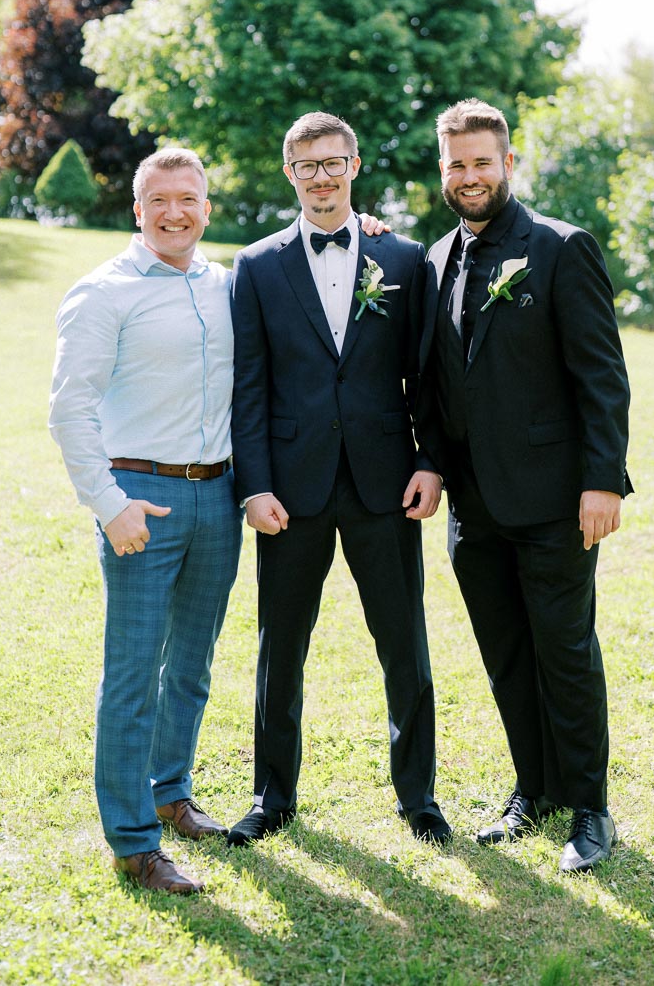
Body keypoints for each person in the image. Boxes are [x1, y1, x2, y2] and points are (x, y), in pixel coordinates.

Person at [226, 111, 451, 847]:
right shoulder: (256, 266)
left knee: (404, 643)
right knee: (279, 648)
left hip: (386, 482)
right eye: (306, 166)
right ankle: (271, 797)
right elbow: (249, 387)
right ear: (289, 174)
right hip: (290, 491)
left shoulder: (406, 259)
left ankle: (418, 796)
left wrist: (428, 462)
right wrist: (253, 485)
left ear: (354, 165)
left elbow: (427, 376)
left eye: (333, 163)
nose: (321, 177)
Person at [420, 99, 632, 873]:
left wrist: (602, 482)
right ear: (442, 170)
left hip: (554, 500)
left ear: (508, 163)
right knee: (506, 654)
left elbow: (602, 379)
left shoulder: (560, 249)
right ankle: (532, 791)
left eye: (482, 161)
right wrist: (435, 463)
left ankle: (590, 809)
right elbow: (438, 381)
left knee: (564, 653)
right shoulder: (437, 256)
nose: (469, 176)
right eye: (456, 164)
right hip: (473, 510)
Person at [49, 147, 242, 894]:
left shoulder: (225, 284)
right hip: (141, 498)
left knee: (190, 665)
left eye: (187, 199)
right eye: (159, 199)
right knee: (132, 674)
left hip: (218, 496)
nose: (174, 212)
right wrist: (110, 505)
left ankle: (171, 793)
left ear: (205, 206)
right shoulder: (103, 292)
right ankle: (134, 843)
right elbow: (68, 410)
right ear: (138, 209)